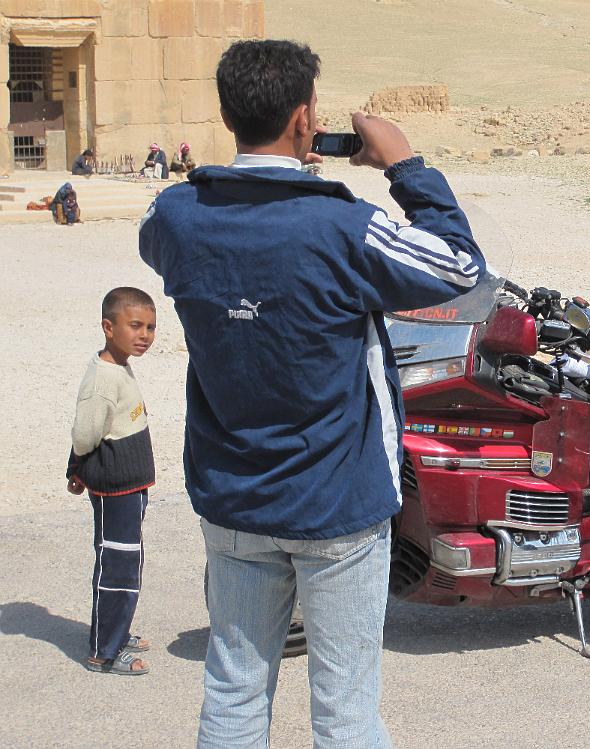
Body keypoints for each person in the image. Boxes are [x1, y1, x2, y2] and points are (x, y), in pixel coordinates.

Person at [139, 39, 484, 747]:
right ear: (305, 120)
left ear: (230, 112)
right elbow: (459, 268)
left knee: (234, 693)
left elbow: (161, 235)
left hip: (233, 497)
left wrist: (280, 182)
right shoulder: (341, 226)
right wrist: (404, 165)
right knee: (346, 711)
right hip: (336, 505)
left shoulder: (177, 216)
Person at [66, 287, 157, 676]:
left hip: (130, 487)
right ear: (108, 327)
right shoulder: (102, 378)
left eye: (151, 327)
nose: (145, 335)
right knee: (116, 567)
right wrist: (77, 469)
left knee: (128, 561)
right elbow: (85, 435)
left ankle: (116, 630)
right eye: (135, 325)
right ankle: (105, 651)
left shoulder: (119, 365)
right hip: (115, 491)